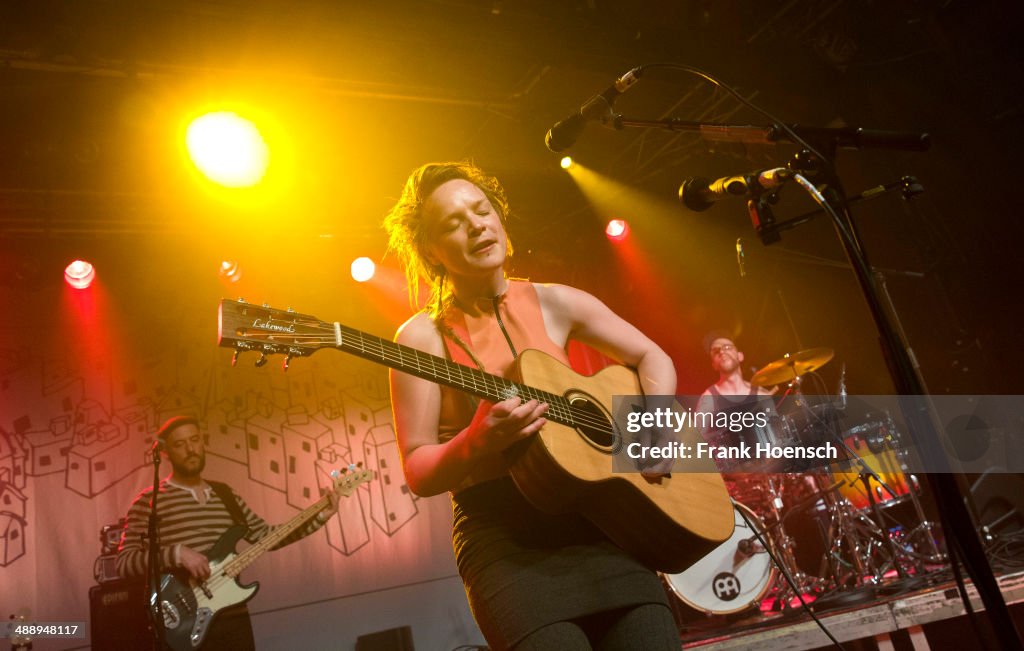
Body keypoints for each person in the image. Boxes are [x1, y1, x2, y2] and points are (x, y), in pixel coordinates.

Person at [383, 162, 680, 650]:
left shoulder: (555, 301)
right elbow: (418, 468)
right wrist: (477, 441)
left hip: (603, 522)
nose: (477, 224)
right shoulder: (420, 336)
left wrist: (653, 430)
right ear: (430, 252)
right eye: (454, 223)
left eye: (482, 211)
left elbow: (653, 356)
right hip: (507, 546)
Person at [116, 415, 340, 650]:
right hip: (183, 624)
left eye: (194, 440)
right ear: (165, 453)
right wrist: (177, 554)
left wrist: (321, 516)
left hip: (233, 618)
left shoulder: (226, 495)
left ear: (203, 443)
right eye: (180, 444)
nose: (190, 449)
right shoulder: (148, 501)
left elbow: (266, 537)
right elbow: (124, 563)